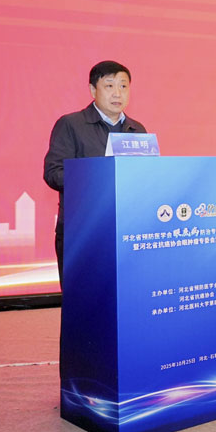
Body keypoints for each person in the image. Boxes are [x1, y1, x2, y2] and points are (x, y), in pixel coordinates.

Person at [43, 60, 146, 286]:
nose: (117, 93)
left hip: (127, 229)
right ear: (92, 90)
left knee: (126, 293)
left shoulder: (137, 130)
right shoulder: (71, 124)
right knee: (85, 297)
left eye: (123, 86)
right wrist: (97, 179)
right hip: (83, 232)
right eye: (109, 86)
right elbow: (53, 173)